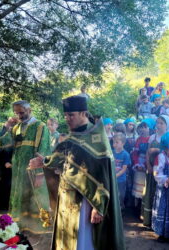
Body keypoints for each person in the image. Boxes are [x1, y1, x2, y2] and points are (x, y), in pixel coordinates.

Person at [29, 95, 125, 250]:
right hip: (67, 197)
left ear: (84, 113)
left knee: (83, 240)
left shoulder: (97, 138)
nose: (67, 119)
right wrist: (44, 162)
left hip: (86, 201)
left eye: (71, 115)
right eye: (66, 115)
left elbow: (103, 175)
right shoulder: (74, 135)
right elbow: (62, 156)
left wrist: (98, 207)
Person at [0, 100, 51, 234]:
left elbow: (43, 150)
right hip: (18, 169)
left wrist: (40, 173)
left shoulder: (40, 126)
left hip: (32, 169)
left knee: (35, 196)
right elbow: (2, 143)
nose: (19, 116)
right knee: (19, 195)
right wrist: (6, 126)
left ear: (29, 110)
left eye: (21, 112)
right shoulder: (15, 128)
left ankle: (38, 226)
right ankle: (21, 224)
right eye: (17, 113)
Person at [142, 115, 169, 227]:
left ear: (167, 125)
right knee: (150, 193)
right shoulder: (152, 137)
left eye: (162, 123)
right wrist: (148, 166)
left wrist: (159, 150)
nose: (159, 125)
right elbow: (147, 152)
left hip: (162, 172)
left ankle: (157, 221)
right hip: (152, 169)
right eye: (158, 123)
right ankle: (147, 219)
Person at [131, 121, 150, 216]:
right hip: (139, 164)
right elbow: (135, 153)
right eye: (141, 127)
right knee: (137, 187)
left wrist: (146, 166)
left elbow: (150, 155)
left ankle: (142, 209)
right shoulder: (138, 139)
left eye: (145, 127)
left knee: (144, 188)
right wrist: (137, 164)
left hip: (146, 165)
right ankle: (136, 208)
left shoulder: (151, 139)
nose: (143, 129)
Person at [112, 133, 131, 212]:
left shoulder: (125, 155)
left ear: (123, 143)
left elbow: (124, 169)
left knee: (120, 196)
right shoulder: (111, 152)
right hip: (112, 178)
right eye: (113, 142)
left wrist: (115, 176)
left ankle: (121, 210)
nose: (114, 144)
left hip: (120, 180)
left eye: (117, 142)